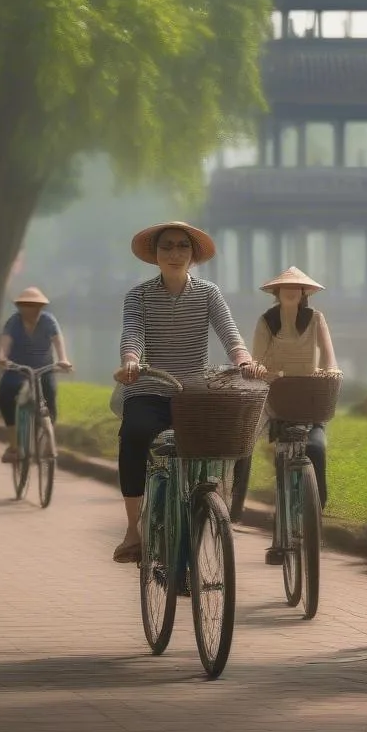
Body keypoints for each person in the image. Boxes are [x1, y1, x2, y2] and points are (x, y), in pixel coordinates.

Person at [111, 220, 265, 564]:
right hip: (150, 387)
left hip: (195, 392)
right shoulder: (138, 295)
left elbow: (230, 334)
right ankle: (133, 529)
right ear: (155, 254)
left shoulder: (209, 292)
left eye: (183, 246)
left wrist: (243, 361)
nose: (175, 253)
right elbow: (132, 334)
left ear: (193, 255)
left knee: (234, 437)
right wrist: (131, 361)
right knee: (134, 434)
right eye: (167, 246)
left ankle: (217, 505)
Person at [230, 267, 338, 561]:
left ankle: (315, 512)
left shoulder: (316, 318)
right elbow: (257, 358)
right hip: (277, 395)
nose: (291, 291)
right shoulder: (266, 321)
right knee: (260, 449)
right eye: (285, 287)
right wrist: (259, 370)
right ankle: (258, 520)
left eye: (297, 288)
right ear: (276, 293)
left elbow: (328, 353)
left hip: (309, 396)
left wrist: (331, 370)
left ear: (304, 293)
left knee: (316, 448)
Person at [0, 287, 73, 464]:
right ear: (20, 307)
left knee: (50, 396)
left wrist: (63, 359)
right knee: (4, 394)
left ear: (41, 307)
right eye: (26, 305)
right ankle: (14, 444)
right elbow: (5, 342)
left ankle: (47, 438)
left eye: (35, 306)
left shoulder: (48, 321)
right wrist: (0, 357)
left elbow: (58, 341)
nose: (31, 309)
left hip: (43, 368)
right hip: (18, 368)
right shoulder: (13, 322)